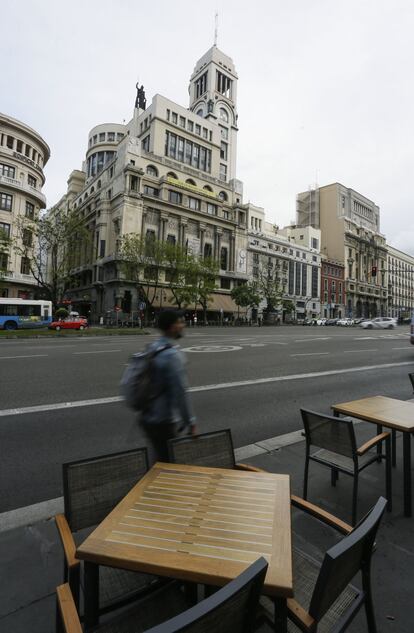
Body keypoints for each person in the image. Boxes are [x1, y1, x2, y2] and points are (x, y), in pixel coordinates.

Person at [140, 310, 196, 462]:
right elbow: (180, 392)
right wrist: (190, 421)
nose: (183, 325)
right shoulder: (171, 355)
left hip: (147, 415)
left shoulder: (153, 347)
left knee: (160, 460)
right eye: (180, 322)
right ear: (172, 327)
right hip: (163, 419)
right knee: (168, 465)